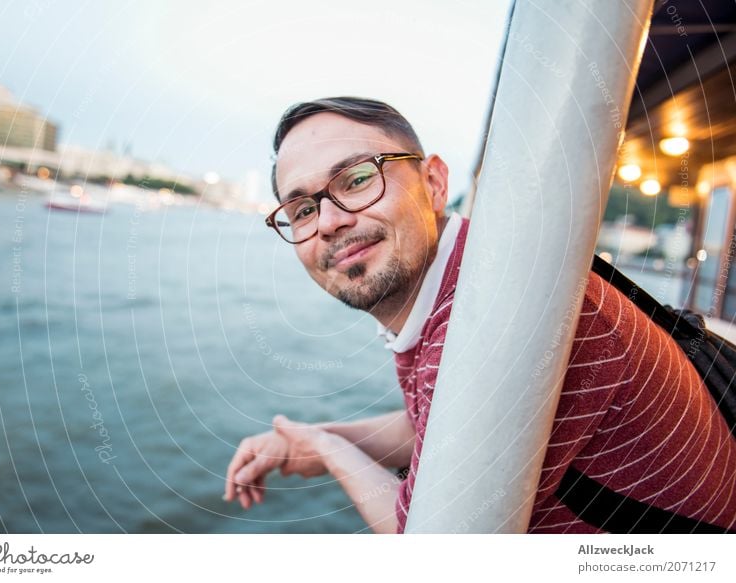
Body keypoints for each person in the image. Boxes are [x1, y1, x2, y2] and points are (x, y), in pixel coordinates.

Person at [223, 97, 736, 534]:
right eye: (302, 211)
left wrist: (323, 448)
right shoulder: (472, 268)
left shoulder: (494, 315)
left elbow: (433, 543)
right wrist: (325, 437)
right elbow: (434, 424)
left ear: (434, 183)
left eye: (357, 179)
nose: (330, 222)